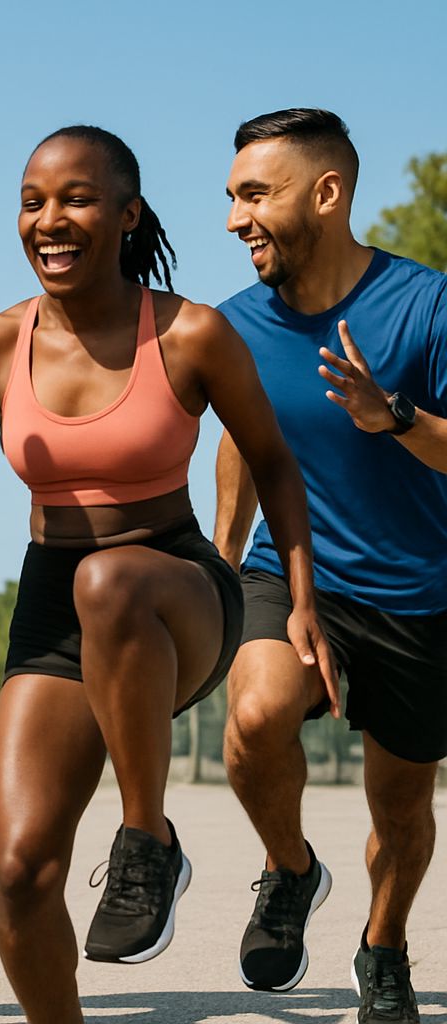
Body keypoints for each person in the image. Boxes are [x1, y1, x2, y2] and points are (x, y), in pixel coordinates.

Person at [0, 124, 332, 1024]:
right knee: (22, 875)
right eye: (34, 203)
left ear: (128, 215)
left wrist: (302, 600)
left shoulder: (193, 333)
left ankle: (147, 837)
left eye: (77, 199)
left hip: (176, 591)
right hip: (55, 603)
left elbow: (274, 462)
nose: (51, 220)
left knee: (110, 581)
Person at [216, 108, 447, 1024]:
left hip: (417, 591)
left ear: (327, 193)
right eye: (231, 196)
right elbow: (239, 443)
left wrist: (395, 417)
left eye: (255, 194)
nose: (236, 218)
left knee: (400, 806)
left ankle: (383, 946)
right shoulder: (232, 326)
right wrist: (221, 567)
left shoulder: (427, 305)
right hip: (289, 565)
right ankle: (289, 867)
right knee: (259, 709)